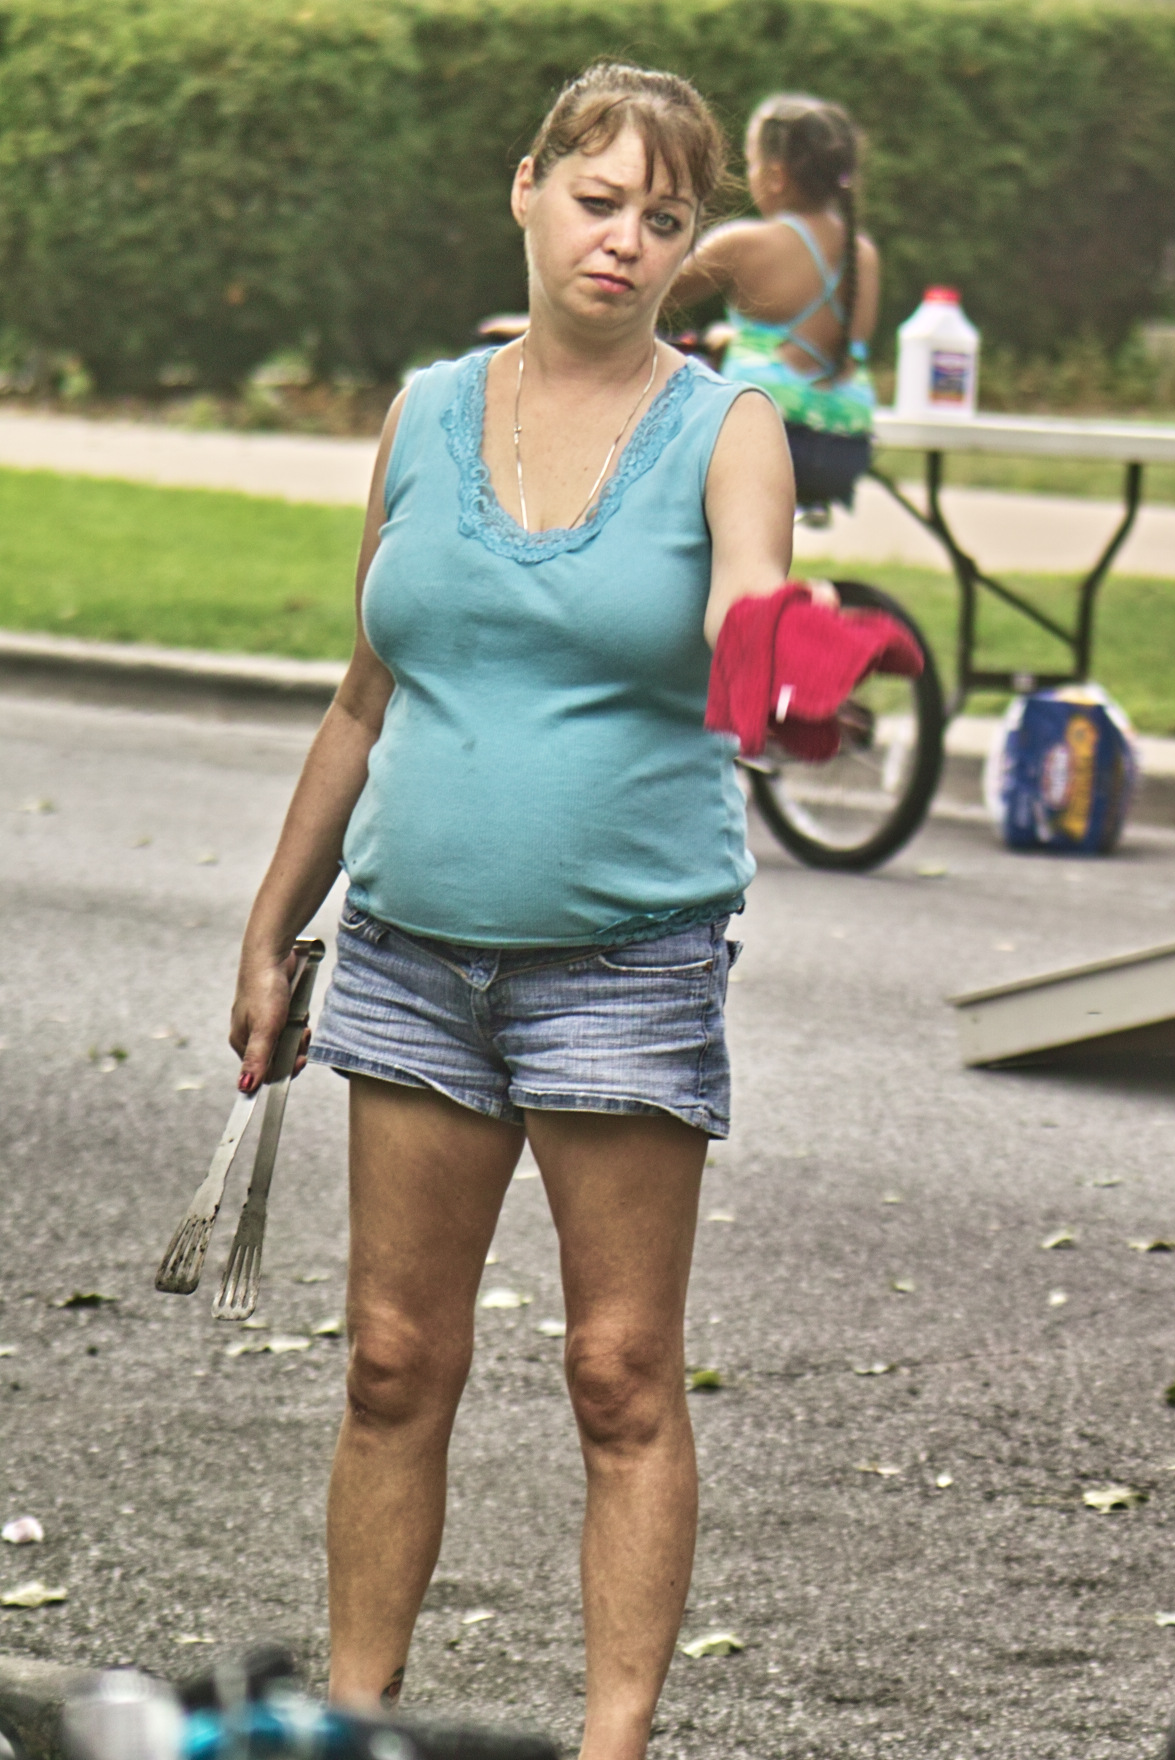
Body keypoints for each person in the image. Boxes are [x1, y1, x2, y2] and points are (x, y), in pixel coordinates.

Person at [227, 62, 805, 1760]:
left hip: (623, 966)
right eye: (597, 199)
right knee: (390, 1362)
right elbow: (364, 694)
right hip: (409, 958)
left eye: (664, 217)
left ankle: (612, 1746)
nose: (624, 240)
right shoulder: (422, 414)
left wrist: (791, 663)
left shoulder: (728, 431)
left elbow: (754, 624)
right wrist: (272, 927)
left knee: (619, 1374)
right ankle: (354, 1728)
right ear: (528, 190)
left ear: (688, 246)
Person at [672, 93, 881, 514]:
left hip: (765, 444)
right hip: (845, 447)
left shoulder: (745, 244)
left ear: (776, 176)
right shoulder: (864, 255)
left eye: (751, 164)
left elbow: (642, 296)